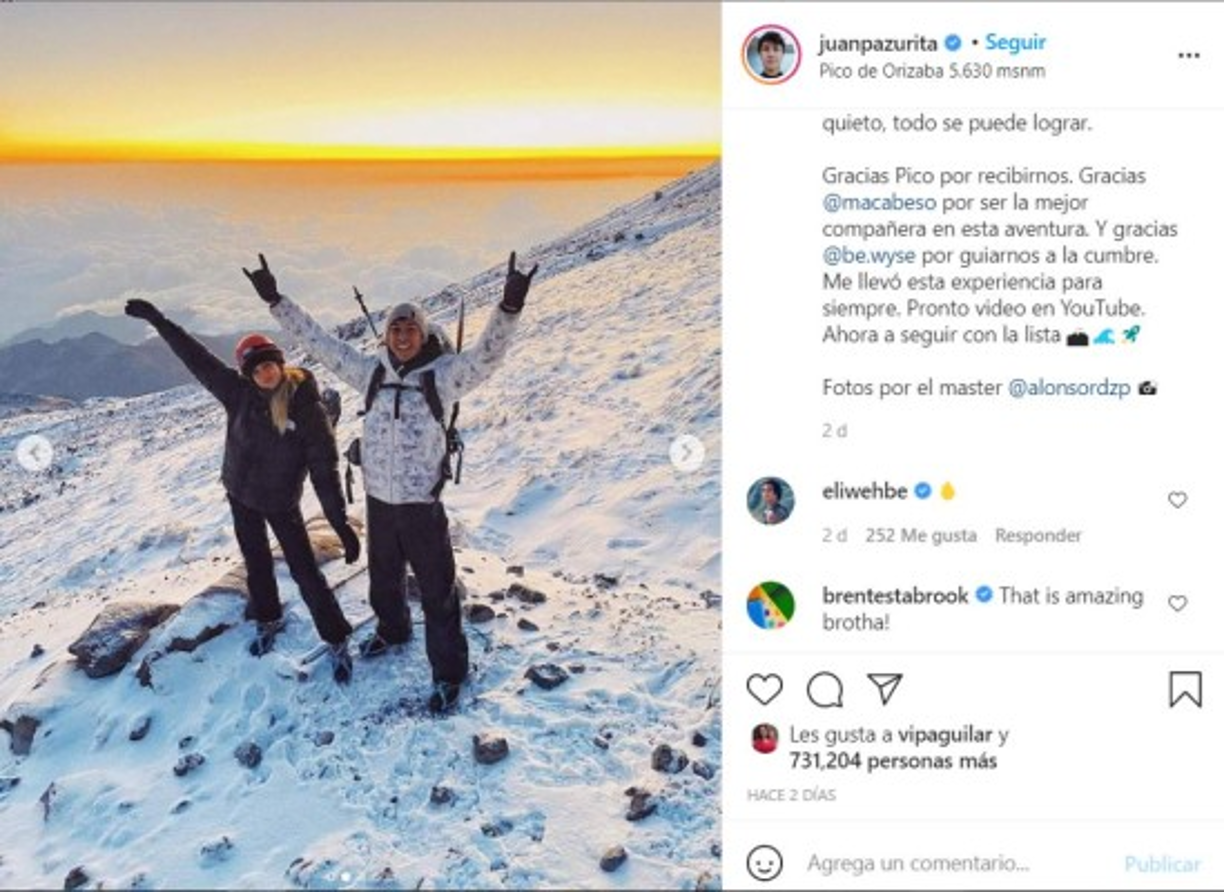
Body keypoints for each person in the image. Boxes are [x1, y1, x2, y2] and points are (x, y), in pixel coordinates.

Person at [243, 251, 538, 713]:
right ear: (387, 336)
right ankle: (392, 629)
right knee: (383, 582)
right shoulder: (370, 374)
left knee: (438, 595)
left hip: (421, 506)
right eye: (396, 330)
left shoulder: (442, 377)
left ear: (422, 335)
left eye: (411, 329)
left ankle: (449, 674)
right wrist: (275, 300)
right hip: (379, 502)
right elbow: (319, 343)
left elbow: (487, 358)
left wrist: (510, 307)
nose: (403, 337)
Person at [123, 299, 361, 684]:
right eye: (257, 367)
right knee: (256, 562)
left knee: (306, 573)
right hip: (240, 494)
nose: (266, 372)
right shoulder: (237, 394)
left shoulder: (306, 410)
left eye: (271, 364)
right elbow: (197, 359)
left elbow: (325, 471)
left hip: (282, 504)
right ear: (247, 373)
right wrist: (160, 321)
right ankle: (268, 618)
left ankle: (336, 638)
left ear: (280, 364)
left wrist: (340, 523)